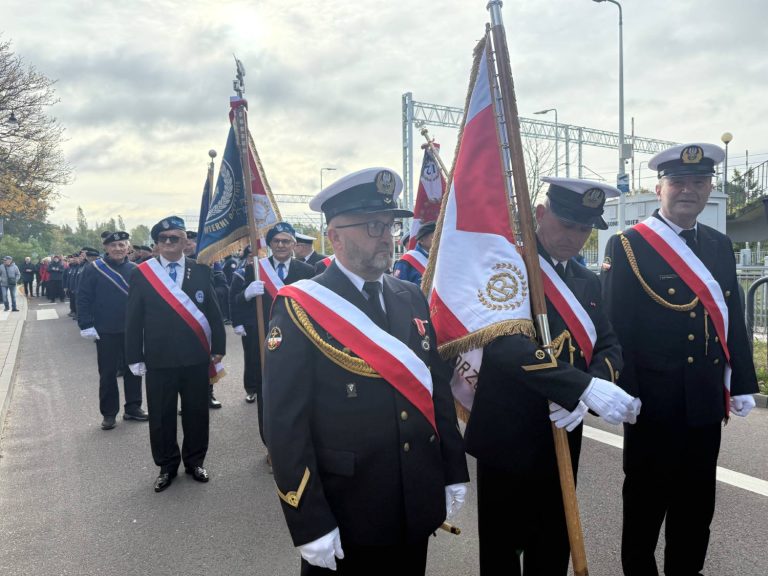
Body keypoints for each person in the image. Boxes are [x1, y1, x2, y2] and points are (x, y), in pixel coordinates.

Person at [264, 168, 470, 575]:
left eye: (390, 225)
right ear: (335, 236)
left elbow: (434, 390)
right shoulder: (301, 308)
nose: (387, 236)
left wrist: (451, 470)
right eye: (373, 226)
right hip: (348, 509)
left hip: (413, 500)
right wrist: (308, 520)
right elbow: (285, 425)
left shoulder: (409, 295)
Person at [464, 177, 641, 576]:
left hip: (563, 429)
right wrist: (581, 387)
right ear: (540, 215)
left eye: (584, 229)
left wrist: (591, 387)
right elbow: (505, 347)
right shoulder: (506, 271)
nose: (575, 237)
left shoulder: (587, 280)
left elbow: (610, 345)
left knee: (553, 541)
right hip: (508, 433)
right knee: (502, 550)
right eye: (567, 224)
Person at [600, 143, 759, 576]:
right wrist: (622, 392)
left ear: (709, 188)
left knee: (696, 504)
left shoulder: (719, 244)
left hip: (705, 402)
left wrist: (742, 381)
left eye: (699, 181)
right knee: (646, 505)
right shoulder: (628, 246)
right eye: (678, 182)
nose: (688, 189)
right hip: (653, 402)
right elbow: (615, 329)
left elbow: (732, 318)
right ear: (659, 188)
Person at [125, 216, 226, 493]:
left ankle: (195, 462)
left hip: (195, 357)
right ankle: (167, 466)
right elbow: (133, 319)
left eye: (175, 238)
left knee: (196, 413)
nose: (169, 243)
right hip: (159, 359)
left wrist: (219, 347)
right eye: (164, 239)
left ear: (186, 242)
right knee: (161, 416)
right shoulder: (141, 273)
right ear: (156, 244)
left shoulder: (201, 270)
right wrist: (134, 356)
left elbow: (213, 314)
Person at [230, 223, 313, 446]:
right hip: (263, 339)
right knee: (266, 392)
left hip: (297, 341)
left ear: (294, 244)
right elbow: (234, 302)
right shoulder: (255, 269)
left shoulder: (307, 271)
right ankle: (270, 444)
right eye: (276, 241)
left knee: (296, 389)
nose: (281, 245)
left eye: (286, 241)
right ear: (270, 244)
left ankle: (296, 441)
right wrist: (246, 295)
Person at [77, 231, 147, 430]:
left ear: (128, 247)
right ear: (106, 248)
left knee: (134, 369)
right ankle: (109, 413)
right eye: (113, 245)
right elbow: (84, 298)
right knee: (107, 373)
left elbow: (143, 300)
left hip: (131, 329)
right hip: (105, 330)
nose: (118, 248)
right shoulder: (94, 269)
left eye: (122, 244)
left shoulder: (136, 269)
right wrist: (86, 324)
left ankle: (133, 407)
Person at [393, 221, 435, 285]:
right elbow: (399, 288)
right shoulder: (406, 261)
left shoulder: (440, 258)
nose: (438, 241)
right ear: (421, 240)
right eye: (433, 237)